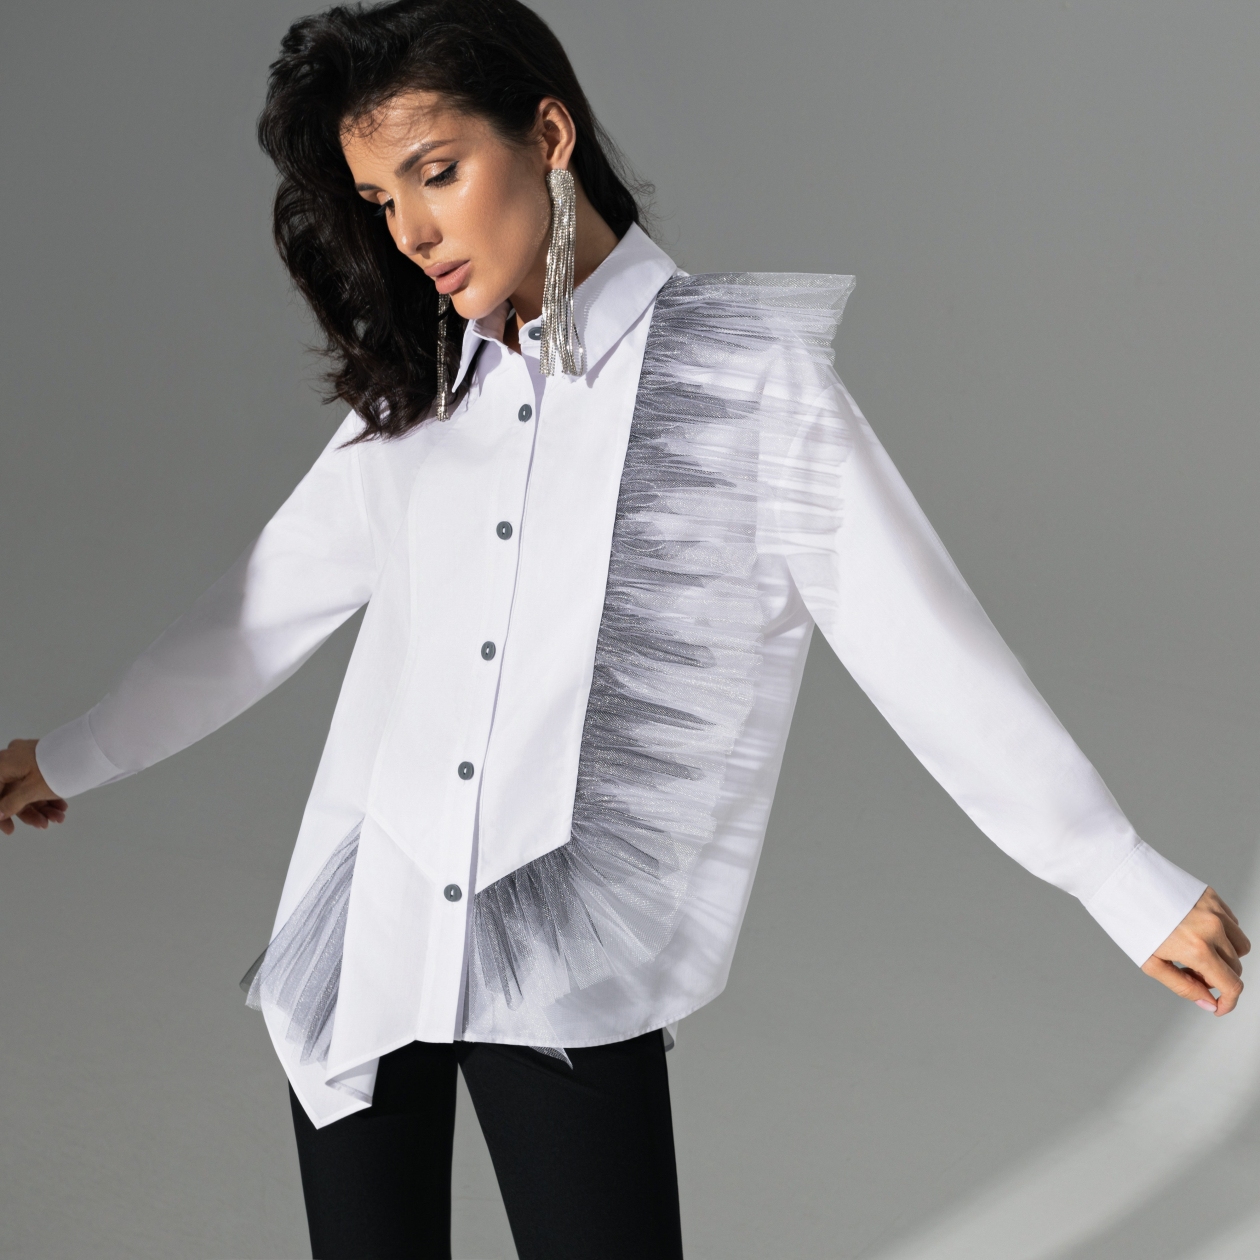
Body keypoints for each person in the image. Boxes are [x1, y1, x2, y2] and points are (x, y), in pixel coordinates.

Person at [0, 1, 1250, 1257]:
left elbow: (919, 642)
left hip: (565, 969)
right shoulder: (425, 396)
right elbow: (260, 610)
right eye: (382, 201)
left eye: (437, 173)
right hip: (366, 934)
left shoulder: (741, 383)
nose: (412, 232)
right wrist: (69, 757)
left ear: (548, 136)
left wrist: (1114, 873)